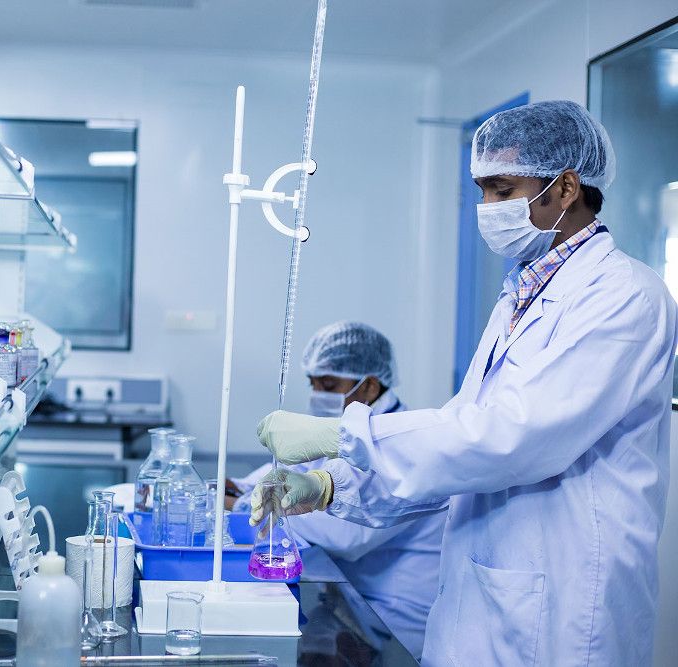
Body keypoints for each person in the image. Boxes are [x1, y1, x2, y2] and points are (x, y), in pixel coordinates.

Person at [251, 100, 678, 665]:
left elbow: (512, 436)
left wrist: (343, 435)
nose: (488, 208)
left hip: (567, 598)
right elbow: (461, 438)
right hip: (490, 587)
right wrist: (332, 487)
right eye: (482, 191)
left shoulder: (624, 295)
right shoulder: (521, 294)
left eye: (503, 190)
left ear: (566, 187)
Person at [229, 321, 442, 659]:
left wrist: (244, 504)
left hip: (395, 620)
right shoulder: (349, 428)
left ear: (369, 385)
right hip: (350, 601)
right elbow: (302, 467)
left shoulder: (398, 445)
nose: (318, 394)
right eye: (313, 383)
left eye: (328, 384)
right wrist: (240, 486)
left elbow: (347, 535)